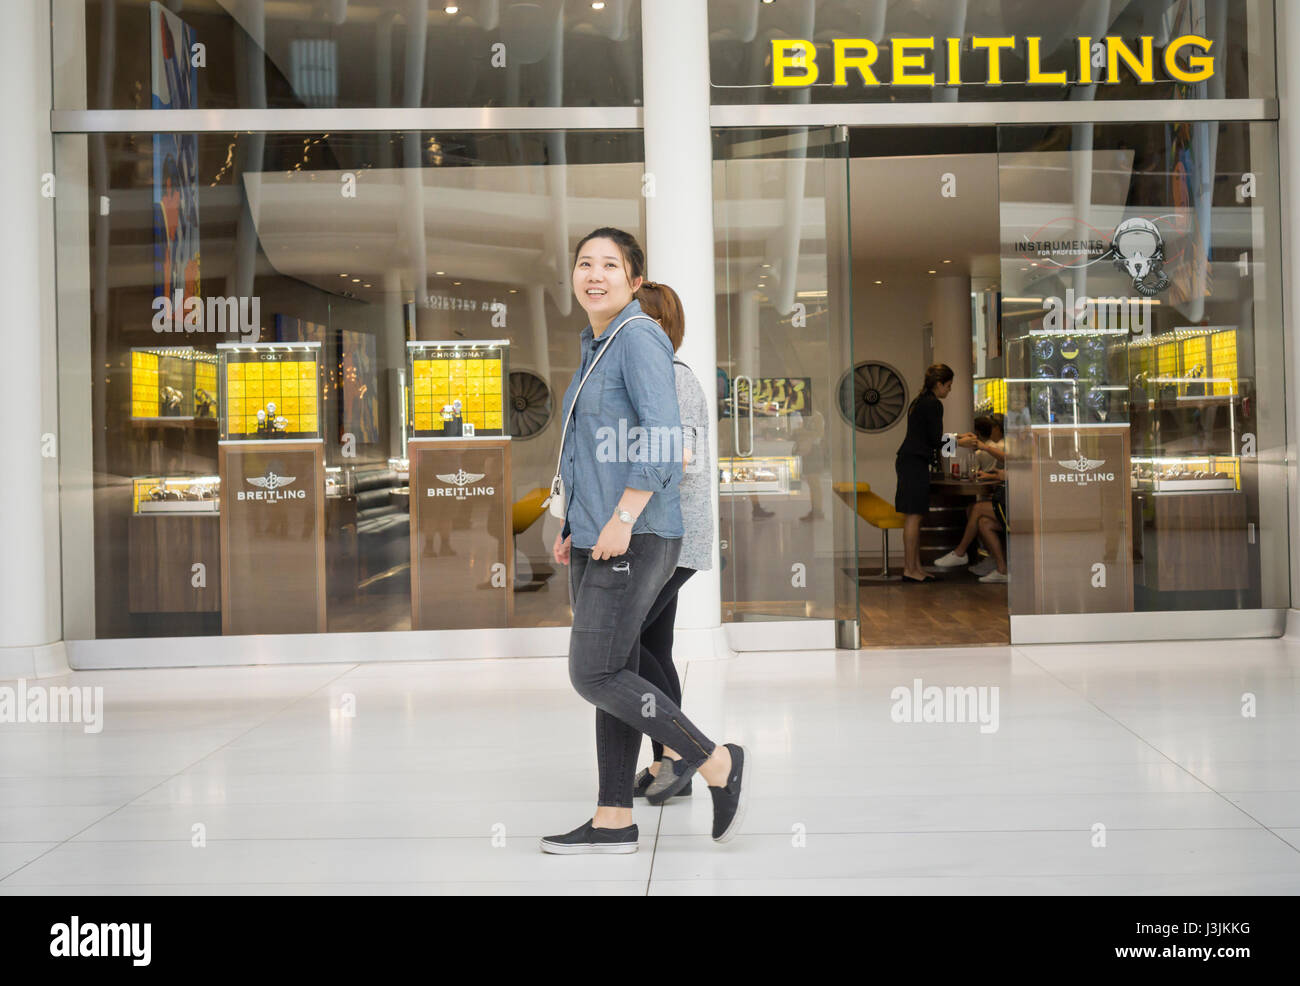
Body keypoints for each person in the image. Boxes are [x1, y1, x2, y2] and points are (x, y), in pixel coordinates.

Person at [543, 228, 748, 854]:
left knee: (595, 672)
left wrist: (623, 517)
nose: (594, 274)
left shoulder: (638, 337)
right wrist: (577, 519)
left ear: (635, 281)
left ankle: (713, 761)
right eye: (584, 263)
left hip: (636, 535)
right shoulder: (596, 344)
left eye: (610, 265)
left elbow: (664, 439)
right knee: (622, 668)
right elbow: (587, 451)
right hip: (598, 534)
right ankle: (613, 820)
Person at [621, 281, 714, 805]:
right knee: (652, 644)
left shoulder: (672, 379)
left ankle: (682, 752)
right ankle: (667, 763)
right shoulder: (660, 377)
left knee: (624, 638)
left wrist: (622, 510)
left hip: (666, 534)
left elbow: (676, 458)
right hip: (658, 531)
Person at [894, 363, 954, 583]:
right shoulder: (933, 404)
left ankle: (915, 567)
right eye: (948, 385)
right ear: (939, 384)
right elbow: (935, 440)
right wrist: (960, 442)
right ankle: (910, 569)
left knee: (914, 516)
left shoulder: (919, 402)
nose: (949, 390)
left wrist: (957, 441)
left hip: (908, 460)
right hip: (915, 463)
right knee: (914, 517)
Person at [933, 415, 1009, 583]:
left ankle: (960, 552)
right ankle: (1001, 568)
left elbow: (1017, 466)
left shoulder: (994, 448)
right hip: (1007, 500)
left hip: (1016, 505)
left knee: (976, 509)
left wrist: (958, 441)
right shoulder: (1003, 446)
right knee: (982, 522)